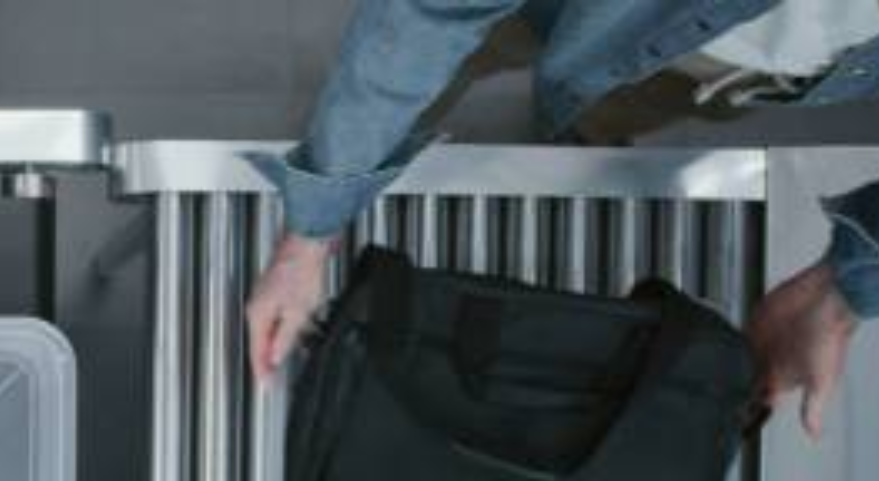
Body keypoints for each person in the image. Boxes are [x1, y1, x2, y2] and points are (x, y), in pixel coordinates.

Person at [242, 0, 879, 439]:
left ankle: (568, 126)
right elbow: (434, 14)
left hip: (736, 69)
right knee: (434, 63)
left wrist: (848, 290)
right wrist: (313, 227)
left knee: (602, 111)